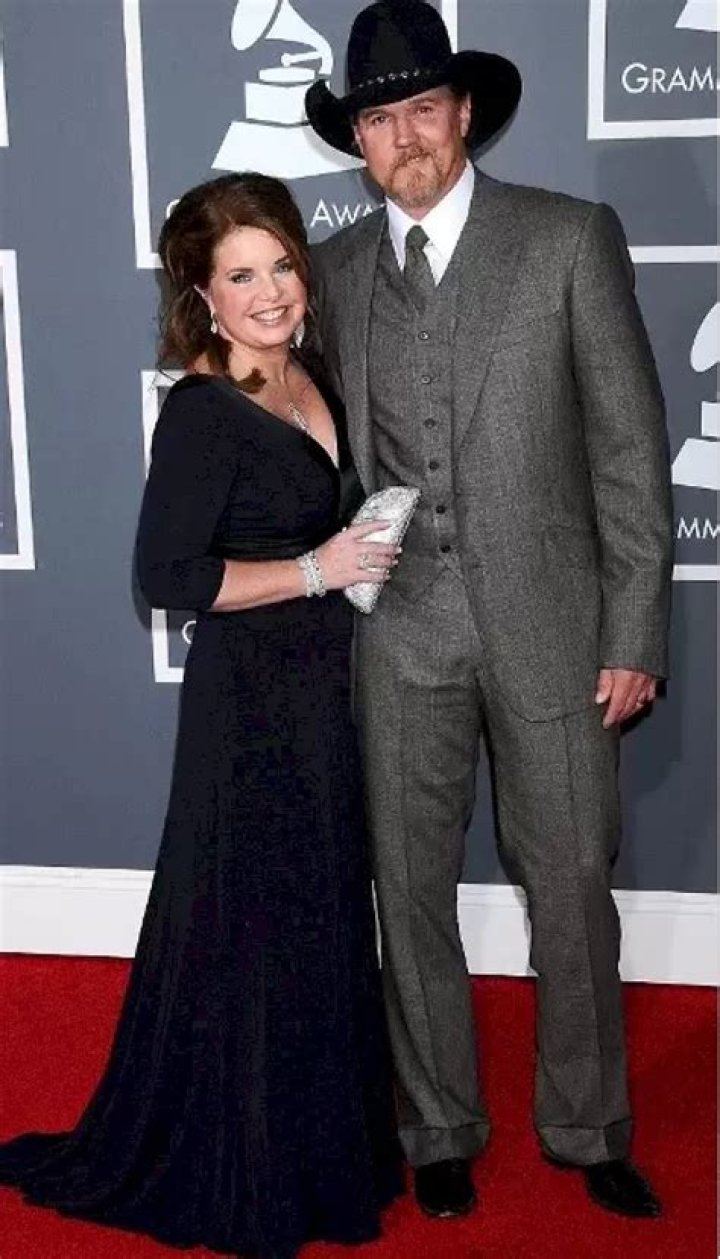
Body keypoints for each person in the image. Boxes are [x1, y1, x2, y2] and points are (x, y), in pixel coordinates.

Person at [306, 0, 673, 1224]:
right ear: (357, 141)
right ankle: (439, 1124)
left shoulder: (567, 239)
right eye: (378, 121)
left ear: (464, 114)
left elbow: (629, 451)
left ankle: (588, 1124)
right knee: (407, 886)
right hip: (400, 627)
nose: (403, 137)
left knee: (569, 880)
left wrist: (634, 629)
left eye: (422, 109)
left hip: (554, 625)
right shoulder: (333, 274)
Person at [0, 173, 404, 1259]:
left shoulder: (308, 369)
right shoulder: (201, 410)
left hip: (327, 688)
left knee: (321, 909)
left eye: (281, 265)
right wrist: (316, 569)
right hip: (253, 702)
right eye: (240, 276)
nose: (269, 292)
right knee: (257, 922)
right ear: (202, 296)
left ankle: (324, 1147)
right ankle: (251, 1162)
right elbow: (169, 574)